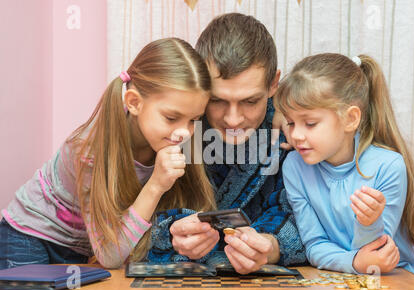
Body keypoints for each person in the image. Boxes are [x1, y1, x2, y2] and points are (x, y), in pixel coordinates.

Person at [0, 38, 217, 270]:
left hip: (82, 248)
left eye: (194, 120)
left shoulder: (169, 139)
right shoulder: (88, 150)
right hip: (31, 235)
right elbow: (110, 255)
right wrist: (155, 185)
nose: (184, 132)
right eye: (171, 118)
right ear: (134, 103)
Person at [148, 13, 307, 274]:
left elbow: (310, 216)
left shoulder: (293, 131)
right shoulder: (177, 127)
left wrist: (271, 246)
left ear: (273, 84)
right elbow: (136, 213)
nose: (233, 119)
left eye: (250, 101)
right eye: (217, 100)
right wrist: (170, 233)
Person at [275, 53, 414, 279]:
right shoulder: (294, 166)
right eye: (290, 123)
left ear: (350, 119)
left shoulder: (388, 166)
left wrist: (368, 224)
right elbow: (314, 245)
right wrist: (353, 262)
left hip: (398, 281)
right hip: (343, 279)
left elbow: (378, 257)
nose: (296, 135)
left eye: (310, 123)